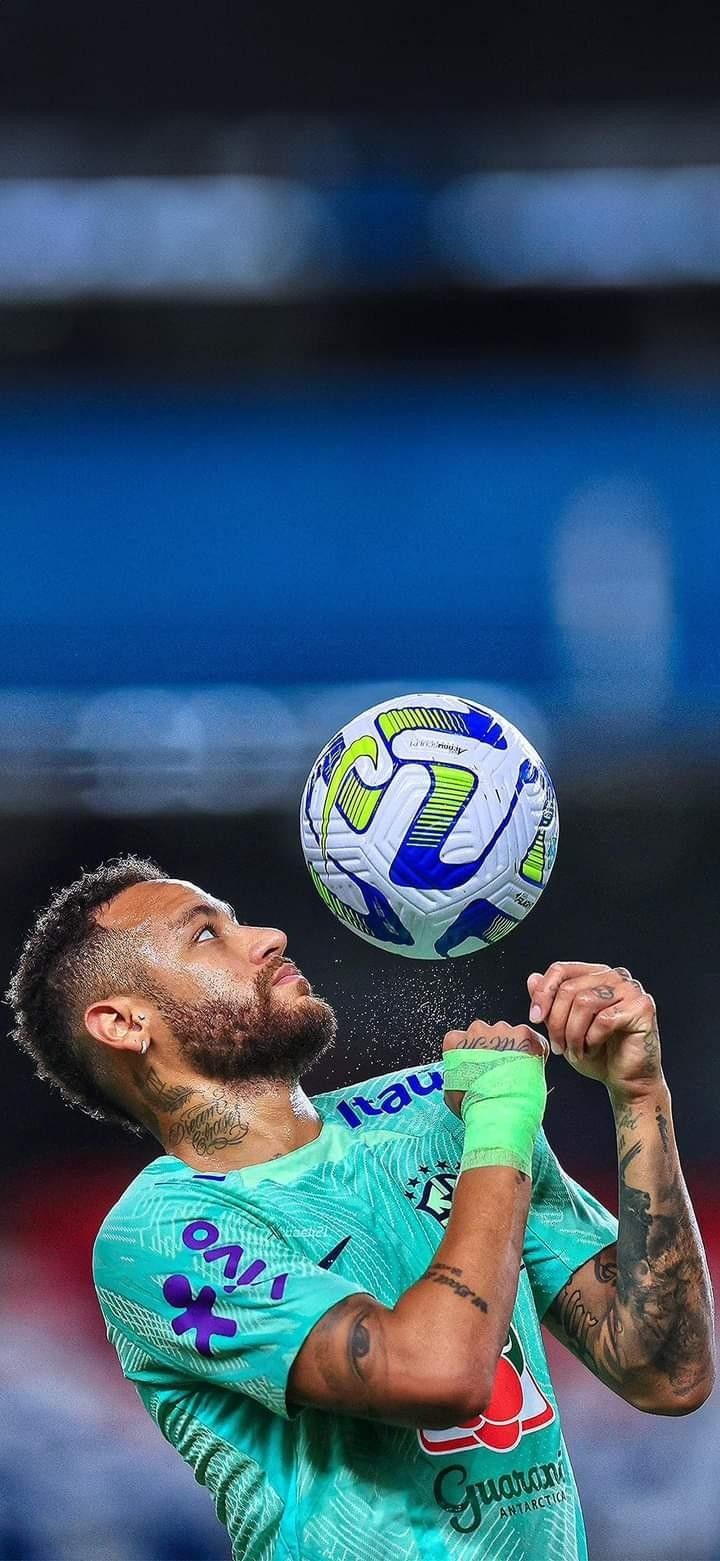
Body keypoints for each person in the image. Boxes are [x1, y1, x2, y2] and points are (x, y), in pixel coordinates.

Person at [7, 854, 714, 1561]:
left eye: (236, 919)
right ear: (123, 1022)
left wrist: (641, 1093)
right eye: (204, 935)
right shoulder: (160, 1233)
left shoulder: (438, 1111)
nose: (269, 935)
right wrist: (499, 1125)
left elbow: (669, 1372)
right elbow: (440, 1374)